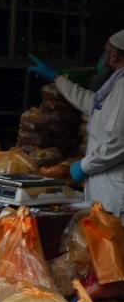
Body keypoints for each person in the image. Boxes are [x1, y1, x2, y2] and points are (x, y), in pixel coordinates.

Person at [29, 30, 124, 216]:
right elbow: (90, 102)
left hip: (115, 193)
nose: (102, 58)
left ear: (114, 54)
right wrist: (55, 78)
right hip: (106, 190)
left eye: (105, 51)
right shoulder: (115, 86)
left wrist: (83, 166)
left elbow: (118, 141)